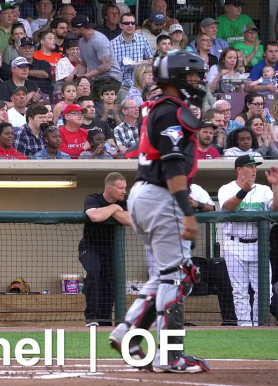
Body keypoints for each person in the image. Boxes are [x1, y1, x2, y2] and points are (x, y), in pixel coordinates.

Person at [108, 50, 211, 373]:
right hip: (161, 194)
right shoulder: (171, 111)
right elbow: (173, 163)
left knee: (169, 273)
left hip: (146, 194)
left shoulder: (161, 108)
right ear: (176, 77)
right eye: (191, 75)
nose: (196, 80)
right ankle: (169, 354)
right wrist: (188, 212)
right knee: (178, 275)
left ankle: (127, 332)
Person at [218, 155, 278, 326]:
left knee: (264, 291)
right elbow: (228, 208)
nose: (254, 170)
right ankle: (244, 327)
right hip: (234, 245)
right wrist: (243, 191)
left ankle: (260, 325)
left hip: (259, 245)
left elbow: (276, 208)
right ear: (239, 169)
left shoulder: (264, 189)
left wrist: (275, 185)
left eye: (255, 167)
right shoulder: (226, 188)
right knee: (240, 291)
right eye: (250, 166)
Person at [79, 173, 129, 327]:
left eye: (125, 188)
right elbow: (95, 216)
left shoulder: (125, 202)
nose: (124, 191)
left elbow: (129, 219)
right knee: (94, 272)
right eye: (121, 188)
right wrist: (114, 208)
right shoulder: (93, 198)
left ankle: (105, 319)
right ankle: (91, 316)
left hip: (111, 250)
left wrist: (108, 212)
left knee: (110, 281)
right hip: (90, 246)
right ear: (109, 188)